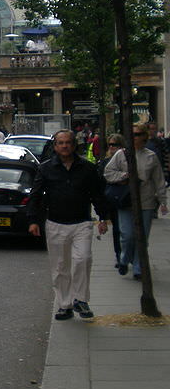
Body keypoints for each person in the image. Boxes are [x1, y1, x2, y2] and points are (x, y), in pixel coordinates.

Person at [27, 129, 108, 320]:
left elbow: (96, 194)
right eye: (61, 143)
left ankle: (81, 299)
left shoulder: (87, 168)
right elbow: (35, 195)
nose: (65, 146)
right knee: (60, 266)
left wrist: (103, 218)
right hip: (55, 223)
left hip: (81, 222)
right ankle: (65, 304)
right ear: (55, 146)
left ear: (74, 145)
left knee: (83, 259)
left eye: (68, 142)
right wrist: (33, 220)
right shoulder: (45, 168)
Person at [103, 122, 166, 281]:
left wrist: (163, 201)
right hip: (126, 200)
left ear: (144, 136)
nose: (134, 138)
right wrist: (124, 177)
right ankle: (124, 258)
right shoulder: (121, 154)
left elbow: (158, 180)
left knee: (142, 237)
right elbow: (108, 173)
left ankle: (138, 266)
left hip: (146, 201)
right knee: (127, 235)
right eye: (132, 134)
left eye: (138, 134)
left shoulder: (151, 156)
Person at [98, 133, 126, 271]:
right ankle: (119, 254)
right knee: (117, 229)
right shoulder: (105, 162)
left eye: (115, 144)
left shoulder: (127, 160)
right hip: (113, 199)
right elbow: (101, 183)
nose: (112, 147)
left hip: (127, 199)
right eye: (110, 144)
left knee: (126, 231)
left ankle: (127, 254)